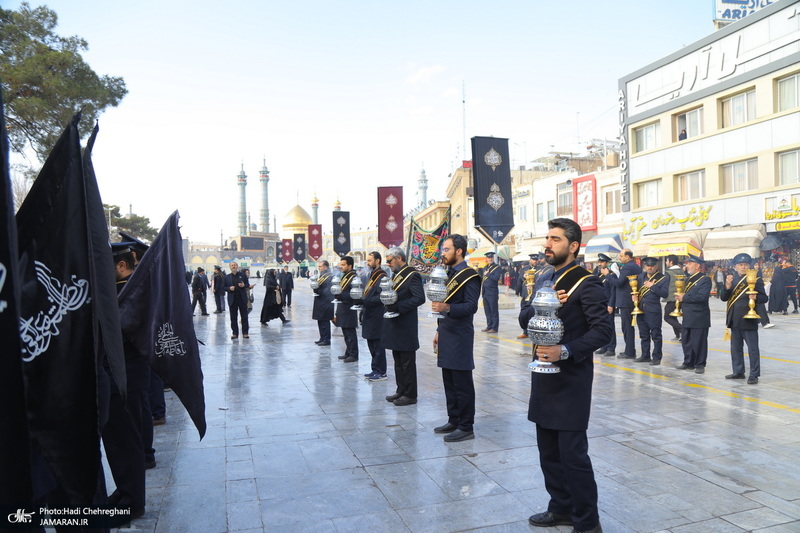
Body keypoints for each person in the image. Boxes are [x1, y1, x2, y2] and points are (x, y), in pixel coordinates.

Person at [521, 218, 611, 533]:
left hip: (571, 380)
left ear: (573, 246)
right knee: (548, 452)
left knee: (573, 457)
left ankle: (587, 523)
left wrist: (566, 350)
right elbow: (524, 319)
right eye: (547, 238)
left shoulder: (587, 284)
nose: (548, 244)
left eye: (556, 239)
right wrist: (539, 306)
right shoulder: (545, 279)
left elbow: (603, 332)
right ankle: (560, 507)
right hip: (543, 377)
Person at [104, 243, 149, 522]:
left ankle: (132, 502)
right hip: (118, 375)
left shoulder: (129, 292)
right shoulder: (122, 291)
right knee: (118, 440)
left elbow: (123, 332)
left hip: (126, 375)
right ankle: (124, 492)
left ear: (121, 266)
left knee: (127, 441)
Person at [431, 234, 480, 441]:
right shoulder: (448, 274)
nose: (443, 253)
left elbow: (471, 306)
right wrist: (438, 330)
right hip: (447, 331)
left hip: (460, 335)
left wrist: (448, 307)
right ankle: (454, 419)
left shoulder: (470, 275)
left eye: (447, 249)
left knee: (461, 382)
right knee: (449, 380)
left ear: (459, 251)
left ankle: (466, 426)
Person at [382, 247, 425, 406]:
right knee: (398, 360)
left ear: (399, 258)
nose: (388, 264)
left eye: (389, 260)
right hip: (395, 324)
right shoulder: (395, 275)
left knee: (407, 362)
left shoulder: (412, 275)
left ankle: (410, 394)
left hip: (406, 325)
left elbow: (420, 298)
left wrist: (398, 306)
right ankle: (401, 390)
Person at [721, 253, 768, 384]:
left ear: (749, 266)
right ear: (735, 266)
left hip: (748, 318)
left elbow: (764, 298)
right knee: (736, 347)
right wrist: (727, 286)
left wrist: (756, 297)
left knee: (752, 348)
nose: (743, 267)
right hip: (734, 319)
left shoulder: (755, 279)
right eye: (740, 265)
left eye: (745, 264)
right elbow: (724, 298)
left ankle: (754, 374)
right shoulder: (732, 279)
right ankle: (738, 371)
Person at [675, 254, 712, 373]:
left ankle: (700, 364)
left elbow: (702, 297)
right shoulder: (688, 279)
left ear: (697, 266)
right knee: (687, 340)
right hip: (688, 314)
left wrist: (684, 297)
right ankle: (688, 362)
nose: (687, 265)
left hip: (699, 316)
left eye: (690, 263)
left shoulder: (704, 279)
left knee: (699, 342)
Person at [632, 257, 669, 365]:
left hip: (653, 310)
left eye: (652, 266)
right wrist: (634, 297)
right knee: (643, 334)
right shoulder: (640, 277)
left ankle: (657, 357)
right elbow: (636, 290)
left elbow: (665, 294)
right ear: (644, 266)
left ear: (656, 267)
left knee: (656, 334)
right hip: (640, 309)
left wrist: (652, 286)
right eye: (648, 265)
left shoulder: (663, 278)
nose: (650, 267)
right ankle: (645, 355)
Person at [361, 252, 388, 381]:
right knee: (371, 342)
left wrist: (367, 301)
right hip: (369, 313)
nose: (368, 262)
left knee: (377, 344)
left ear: (378, 261)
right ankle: (375, 369)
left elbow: (382, 296)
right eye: (367, 260)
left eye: (370, 260)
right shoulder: (372, 275)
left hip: (377, 314)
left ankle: (381, 371)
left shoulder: (382, 276)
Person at [615, 249, 642, 359]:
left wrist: (610, 275)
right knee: (628, 326)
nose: (619, 258)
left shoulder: (627, 267)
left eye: (621, 256)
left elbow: (619, 283)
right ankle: (629, 350)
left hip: (626, 300)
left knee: (627, 327)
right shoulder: (636, 266)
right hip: (632, 299)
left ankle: (630, 352)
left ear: (628, 256)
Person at [335, 256, 359, 362]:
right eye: (340, 264)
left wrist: (341, 296)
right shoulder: (345, 276)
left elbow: (355, 294)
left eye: (343, 265)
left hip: (349, 308)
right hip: (343, 307)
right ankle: (348, 352)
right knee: (345, 332)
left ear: (350, 265)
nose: (341, 267)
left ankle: (353, 354)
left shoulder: (354, 277)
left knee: (350, 333)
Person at [593, 252, 617, 357]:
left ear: (607, 263)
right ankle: (604, 346)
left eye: (602, 262)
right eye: (599, 261)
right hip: (599, 303)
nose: (600, 263)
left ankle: (611, 348)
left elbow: (613, 291)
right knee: (602, 326)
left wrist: (611, 304)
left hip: (608, 304)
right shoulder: (597, 274)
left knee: (610, 326)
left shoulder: (611, 275)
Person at [224, 261, 250, 339]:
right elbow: (223, 287)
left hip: (242, 299)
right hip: (233, 299)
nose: (233, 266)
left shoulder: (243, 275)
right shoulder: (227, 277)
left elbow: (247, 284)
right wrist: (229, 288)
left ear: (237, 266)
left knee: (244, 316)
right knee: (233, 317)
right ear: (230, 267)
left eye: (234, 265)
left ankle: (245, 333)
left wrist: (243, 285)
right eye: (232, 265)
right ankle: (235, 333)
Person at [312, 260, 334, 346]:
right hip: (320, 302)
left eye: (320, 266)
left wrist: (317, 289)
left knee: (325, 322)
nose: (319, 268)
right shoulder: (322, 276)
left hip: (326, 302)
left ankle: (326, 339)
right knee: (320, 321)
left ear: (325, 267)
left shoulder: (329, 277)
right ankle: (322, 337)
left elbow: (327, 290)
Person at [480, 251, 502, 333]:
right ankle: (489, 326)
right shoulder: (485, 267)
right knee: (487, 311)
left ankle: (494, 328)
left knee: (494, 311)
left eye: (491, 257)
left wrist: (488, 274)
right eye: (489, 258)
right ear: (486, 259)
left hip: (492, 292)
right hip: (485, 292)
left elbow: (496, 278)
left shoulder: (497, 267)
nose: (490, 259)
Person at [663, 255, 683, 341]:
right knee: (673, 316)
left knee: (667, 317)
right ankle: (678, 335)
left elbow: (664, 285)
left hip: (672, 298)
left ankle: (683, 330)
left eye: (667, 261)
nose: (666, 262)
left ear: (671, 262)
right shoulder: (682, 271)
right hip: (681, 297)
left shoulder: (668, 273)